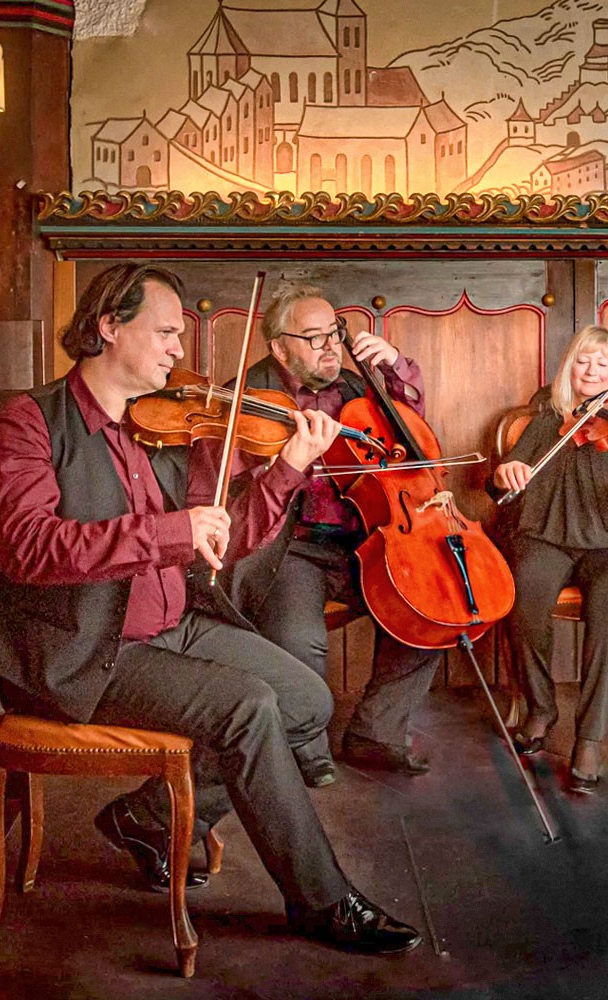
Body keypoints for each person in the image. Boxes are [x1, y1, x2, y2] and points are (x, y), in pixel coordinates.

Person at [0, 262, 420, 953]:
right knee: (248, 707)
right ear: (108, 327)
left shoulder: (158, 430)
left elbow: (222, 540)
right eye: (164, 333)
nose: (179, 350)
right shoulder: (29, 423)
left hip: (172, 625)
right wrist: (167, 533)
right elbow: (27, 549)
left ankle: (147, 819)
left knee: (306, 700)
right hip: (88, 650)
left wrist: (288, 469)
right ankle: (322, 902)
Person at [191, 284, 443, 779]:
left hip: (363, 542)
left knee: (429, 612)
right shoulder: (242, 398)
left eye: (335, 333)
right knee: (300, 640)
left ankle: (377, 731)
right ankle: (304, 747)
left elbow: (410, 437)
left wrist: (393, 366)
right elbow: (217, 495)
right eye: (314, 338)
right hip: (293, 549)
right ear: (279, 347)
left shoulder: (355, 387)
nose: (331, 346)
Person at [492, 326, 608, 793]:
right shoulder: (549, 420)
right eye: (583, 362)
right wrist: (507, 471)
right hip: (549, 536)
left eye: (603, 364)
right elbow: (507, 479)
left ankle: (590, 736)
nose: (592, 371)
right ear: (570, 367)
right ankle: (540, 708)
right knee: (524, 593)